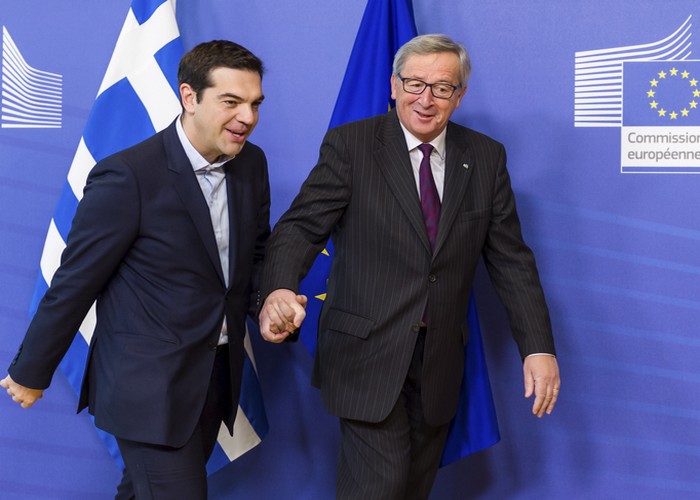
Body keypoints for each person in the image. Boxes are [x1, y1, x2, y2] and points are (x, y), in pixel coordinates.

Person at [259, 34, 561, 499]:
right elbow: (298, 229)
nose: (426, 99)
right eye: (415, 83)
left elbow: (511, 261)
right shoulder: (351, 146)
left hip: (439, 360)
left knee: (412, 490)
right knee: (379, 488)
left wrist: (538, 347)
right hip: (365, 356)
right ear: (394, 86)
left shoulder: (484, 157)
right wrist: (279, 288)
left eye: (442, 88)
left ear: (459, 97)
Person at [1, 40, 272, 499]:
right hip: (146, 386)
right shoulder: (128, 176)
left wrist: (270, 302)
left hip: (213, 380)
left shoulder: (252, 164)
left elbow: (255, 255)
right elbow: (75, 281)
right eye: (231, 101)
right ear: (189, 97)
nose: (247, 116)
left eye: (254, 103)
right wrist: (32, 371)